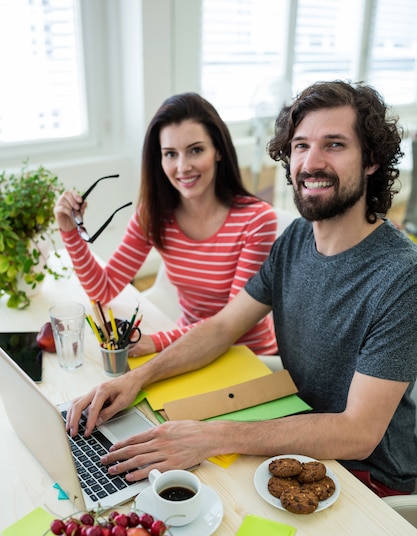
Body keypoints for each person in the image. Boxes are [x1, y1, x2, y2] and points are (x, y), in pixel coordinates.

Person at [66, 80, 417, 498]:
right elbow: (221, 327)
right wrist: (137, 378)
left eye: (335, 145)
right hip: (292, 433)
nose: (311, 162)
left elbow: (357, 433)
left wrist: (213, 436)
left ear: (372, 160)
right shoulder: (296, 241)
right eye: (301, 145)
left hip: (367, 475)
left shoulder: (401, 277)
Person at [54, 93, 278, 356]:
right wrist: (70, 231)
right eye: (170, 154)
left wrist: (156, 342)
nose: (183, 167)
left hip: (246, 356)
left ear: (218, 150)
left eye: (196, 150)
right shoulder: (154, 215)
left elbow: (229, 324)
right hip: (187, 350)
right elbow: (102, 290)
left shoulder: (256, 220)